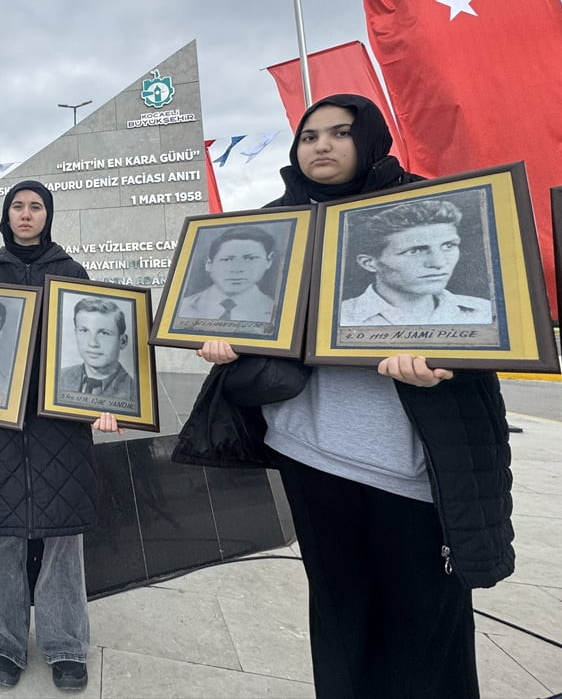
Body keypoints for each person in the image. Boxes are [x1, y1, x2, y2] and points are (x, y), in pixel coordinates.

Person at [170, 95, 513, 699]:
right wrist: (228, 342)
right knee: (339, 613)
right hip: (313, 454)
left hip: (411, 467)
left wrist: (447, 366)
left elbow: (495, 337)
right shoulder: (273, 228)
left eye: (340, 133)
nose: (321, 146)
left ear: (371, 139)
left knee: (425, 621)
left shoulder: (428, 208)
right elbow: (257, 327)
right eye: (308, 136)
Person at [0, 181, 118, 693]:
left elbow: (94, 347)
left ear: (48, 215)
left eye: (35, 206)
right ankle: (4, 645)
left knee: (63, 540)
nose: (26, 214)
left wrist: (103, 406)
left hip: (61, 430)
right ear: (6, 215)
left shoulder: (73, 274)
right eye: (17, 206)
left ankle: (65, 648)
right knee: (0, 539)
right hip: (0, 431)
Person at [339, 198, 493, 326]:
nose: (438, 263)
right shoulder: (341, 319)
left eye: (448, 246)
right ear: (369, 263)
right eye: (415, 251)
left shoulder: (486, 312)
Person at [176, 226, 276, 322]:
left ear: (269, 261)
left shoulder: (276, 312)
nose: (237, 269)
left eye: (250, 259)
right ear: (209, 264)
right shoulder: (182, 307)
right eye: (227, 260)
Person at [56, 296, 137, 400]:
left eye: (104, 333)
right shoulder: (58, 379)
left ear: (122, 341)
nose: (92, 343)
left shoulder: (135, 393)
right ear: (75, 333)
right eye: (84, 331)